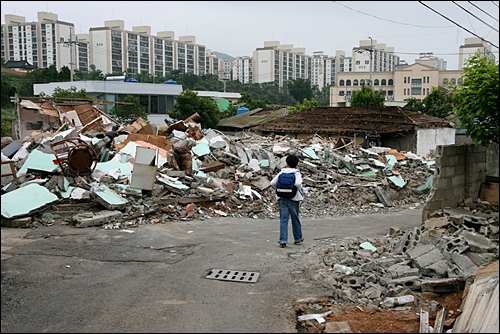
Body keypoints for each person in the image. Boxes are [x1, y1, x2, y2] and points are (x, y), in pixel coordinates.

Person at [270, 154, 304, 248]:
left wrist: (279, 189)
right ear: (296, 164)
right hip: (294, 198)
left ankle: (283, 240)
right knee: (295, 218)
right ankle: (297, 238)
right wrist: (298, 189)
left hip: (282, 198)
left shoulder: (282, 172)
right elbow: (298, 183)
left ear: (286, 163)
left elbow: (272, 183)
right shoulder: (296, 173)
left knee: (283, 220)